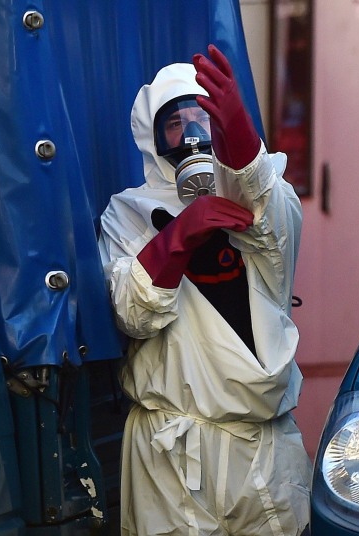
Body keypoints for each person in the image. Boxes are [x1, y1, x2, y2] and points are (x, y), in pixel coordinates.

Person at [98, 44, 311, 535]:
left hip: (260, 448)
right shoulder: (128, 213)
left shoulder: (269, 195)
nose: (191, 134)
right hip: (170, 454)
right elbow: (132, 313)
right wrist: (176, 238)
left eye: (203, 119)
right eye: (175, 124)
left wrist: (237, 133)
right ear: (154, 140)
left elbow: (266, 219)